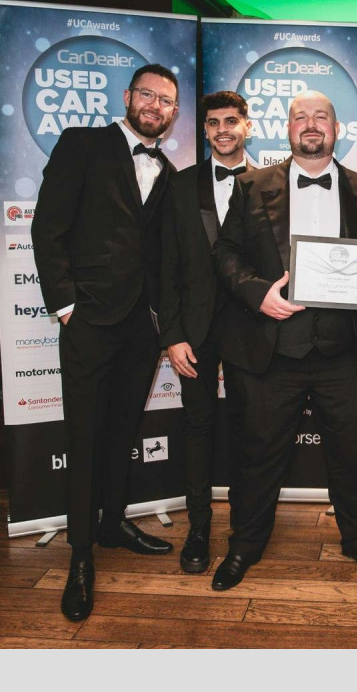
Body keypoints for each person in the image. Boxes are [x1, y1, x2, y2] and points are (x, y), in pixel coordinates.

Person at [213, 90, 357, 590]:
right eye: (301, 117)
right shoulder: (250, 187)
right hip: (271, 349)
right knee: (257, 456)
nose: (311, 125)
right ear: (288, 128)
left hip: (348, 351)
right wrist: (258, 295)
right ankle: (244, 544)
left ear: (337, 129)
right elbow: (225, 253)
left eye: (321, 117)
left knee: (355, 455)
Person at [32, 64, 179, 621]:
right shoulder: (83, 144)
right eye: (147, 95)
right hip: (89, 320)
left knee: (123, 430)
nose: (155, 106)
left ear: (173, 113)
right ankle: (80, 555)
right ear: (127, 96)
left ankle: (113, 522)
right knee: (86, 435)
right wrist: (66, 306)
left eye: (165, 100)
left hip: (142, 325)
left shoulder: (169, 170)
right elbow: (47, 228)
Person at [159, 91, 254, 574]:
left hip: (253, 329)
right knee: (197, 427)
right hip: (194, 332)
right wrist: (172, 334)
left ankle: (244, 527)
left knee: (247, 428)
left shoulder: (271, 182)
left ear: (247, 125)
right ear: (204, 130)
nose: (222, 130)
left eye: (231, 121)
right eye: (214, 122)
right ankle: (198, 528)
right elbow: (165, 264)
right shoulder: (180, 185)